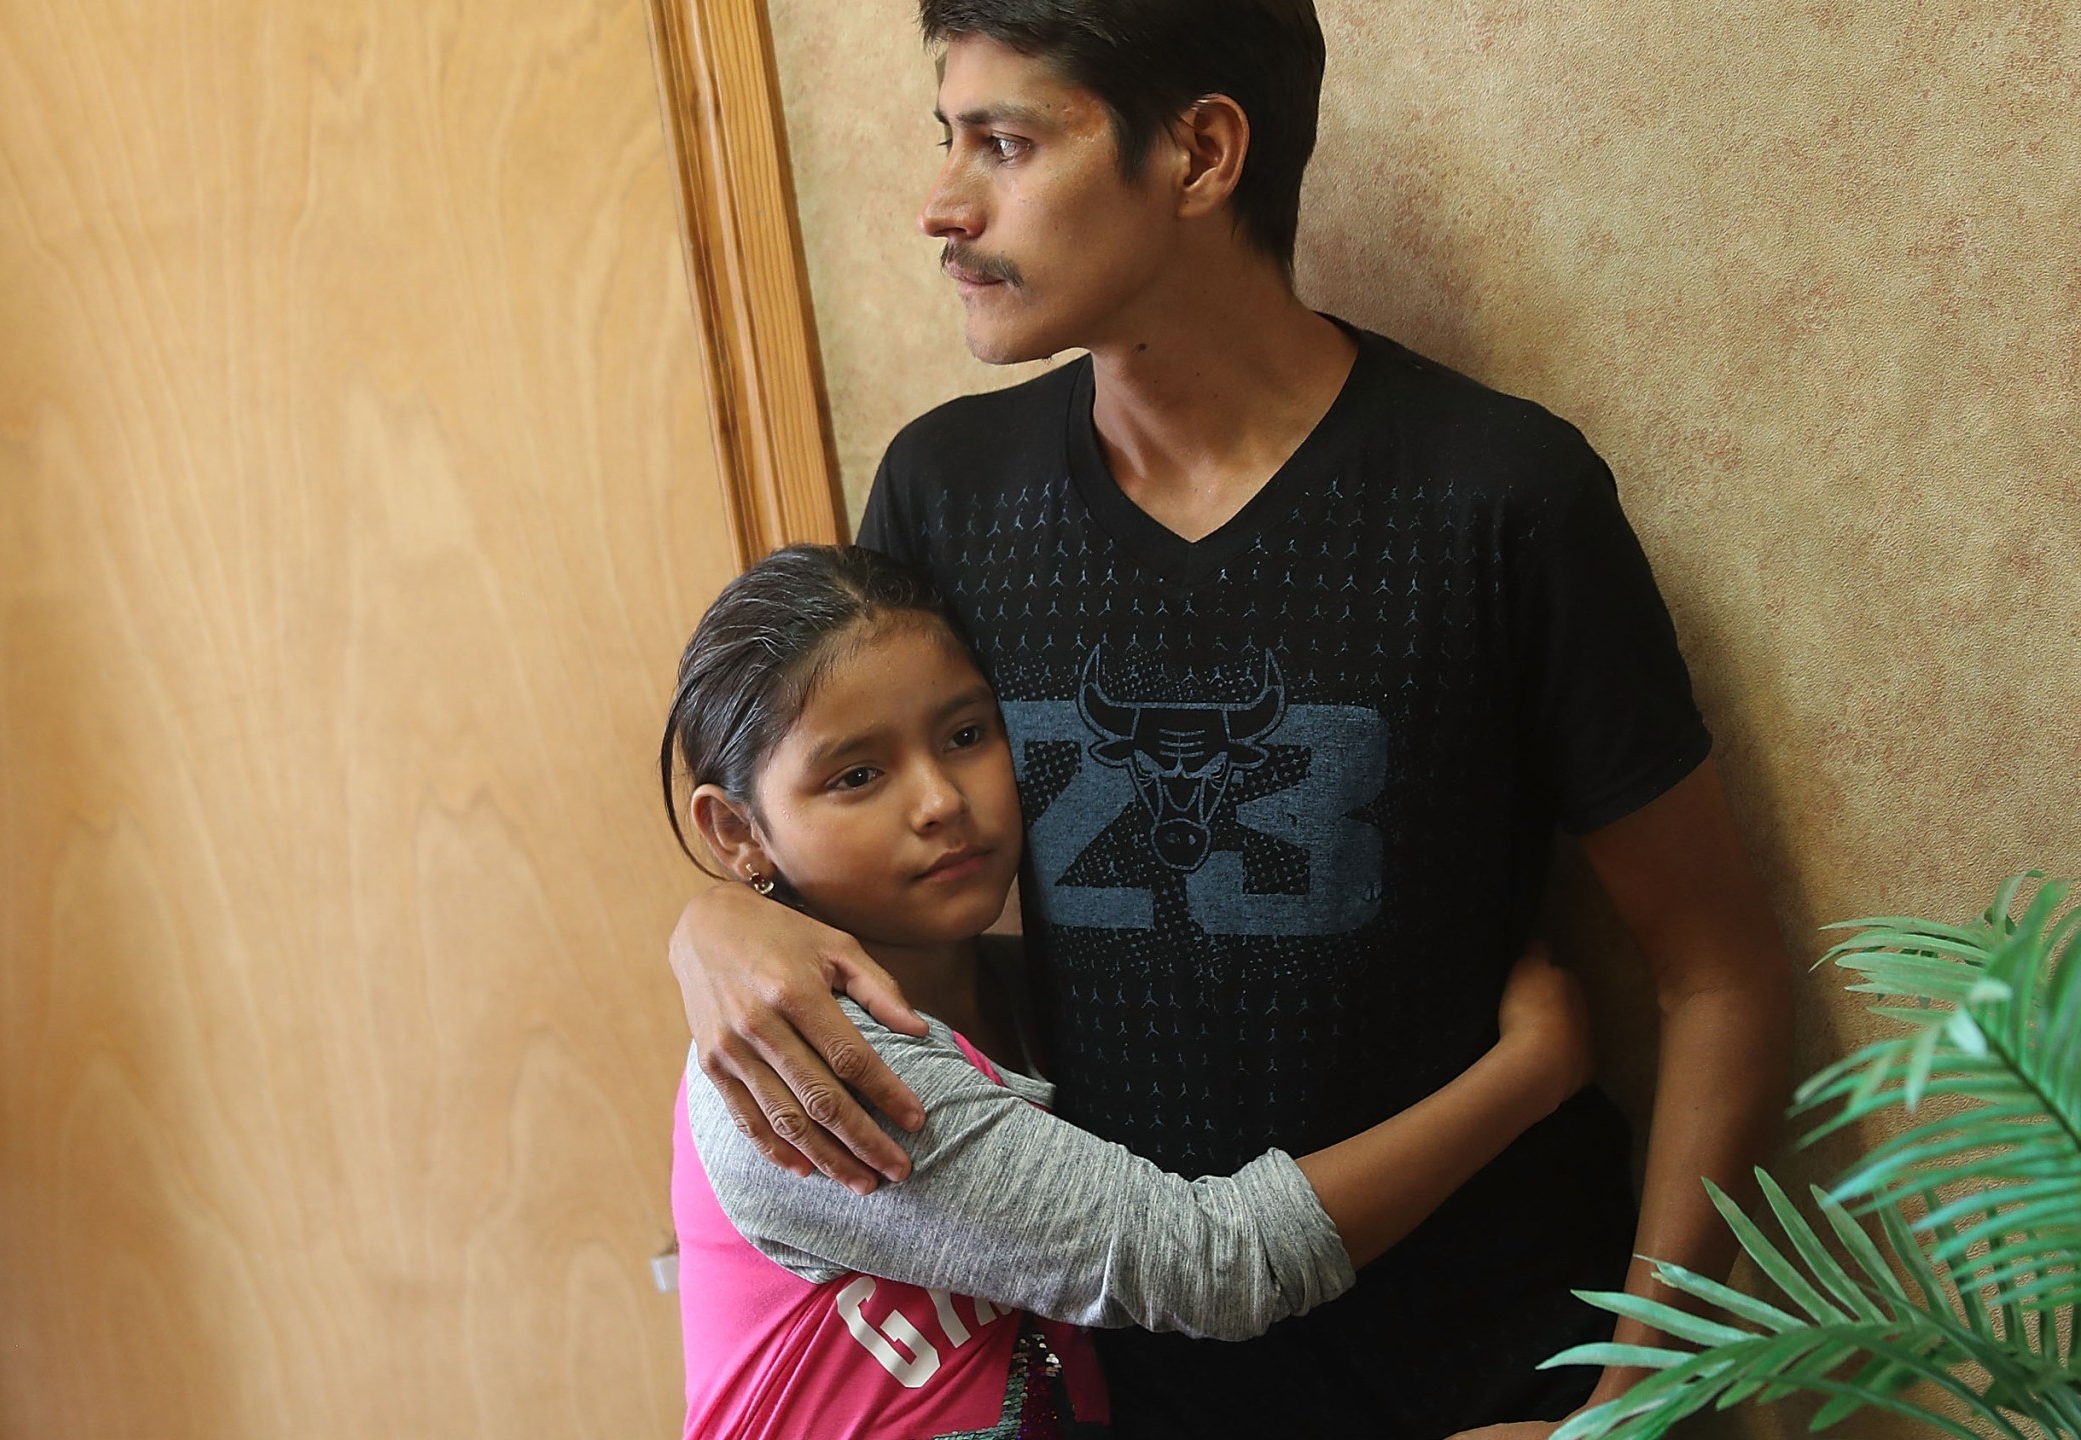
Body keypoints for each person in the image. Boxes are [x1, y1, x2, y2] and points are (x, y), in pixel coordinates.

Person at [669, 4, 1796, 1436]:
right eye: (947, 140)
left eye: (1007, 143)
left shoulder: (1500, 499)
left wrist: (1638, 1410)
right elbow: (840, 824)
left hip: (1497, 1372)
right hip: (1131, 1373)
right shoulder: (948, 495)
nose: (941, 206)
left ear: (1201, 152)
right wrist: (714, 922)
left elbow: (1723, 978)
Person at [665, 544, 1595, 1440]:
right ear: (737, 832)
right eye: (857, 775)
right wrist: (1530, 1072)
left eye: (965, 734)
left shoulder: (1041, 993)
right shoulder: (800, 1065)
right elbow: (1207, 1266)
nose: (941, 799)